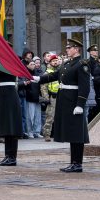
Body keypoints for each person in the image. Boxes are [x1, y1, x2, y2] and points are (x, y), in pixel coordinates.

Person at [38, 38, 91, 172]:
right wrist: (39, 79)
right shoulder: (68, 63)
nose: (66, 50)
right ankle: (73, 162)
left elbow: (84, 87)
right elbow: (56, 75)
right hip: (66, 101)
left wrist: (80, 104)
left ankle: (77, 164)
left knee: (77, 134)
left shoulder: (81, 64)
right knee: (72, 133)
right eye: (67, 48)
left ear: (76, 49)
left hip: (74, 101)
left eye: (69, 48)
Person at [0, 61, 24, 166]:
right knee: (6, 127)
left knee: (11, 128)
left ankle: (12, 157)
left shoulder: (9, 62)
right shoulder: (2, 62)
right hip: (2, 94)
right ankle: (8, 156)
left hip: (8, 95)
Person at [41, 54, 61, 141]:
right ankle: (47, 134)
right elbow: (43, 87)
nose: (55, 62)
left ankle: (59, 134)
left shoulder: (61, 71)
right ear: (50, 62)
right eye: (53, 61)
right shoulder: (47, 73)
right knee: (50, 116)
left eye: (56, 60)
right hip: (52, 97)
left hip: (61, 96)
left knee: (60, 117)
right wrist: (46, 98)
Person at [22, 59, 42, 138]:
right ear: (27, 65)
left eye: (34, 64)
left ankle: (36, 131)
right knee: (29, 116)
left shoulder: (38, 73)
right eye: (32, 64)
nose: (34, 65)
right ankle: (29, 131)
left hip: (37, 97)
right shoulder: (25, 74)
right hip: (29, 98)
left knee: (38, 116)